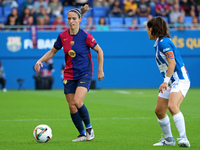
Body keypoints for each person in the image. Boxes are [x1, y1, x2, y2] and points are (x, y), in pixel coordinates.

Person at [34, 4, 104, 142]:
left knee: (78, 101)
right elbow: (52, 51)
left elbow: (99, 51)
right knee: (71, 106)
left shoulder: (86, 36)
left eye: (73, 18)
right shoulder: (62, 36)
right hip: (69, 74)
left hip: (84, 72)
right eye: (69, 18)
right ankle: (82, 134)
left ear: (79, 20)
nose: (71, 21)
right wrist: (40, 60)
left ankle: (90, 129)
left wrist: (100, 71)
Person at [146, 16, 191, 147]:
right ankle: (169, 139)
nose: (147, 32)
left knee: (172, 106)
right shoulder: (159, 43)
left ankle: (184, 138)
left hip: (180, 80)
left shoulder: (163, 43)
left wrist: (165, 81)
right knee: (159, 111)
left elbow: (171, 63)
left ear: (151, 29)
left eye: (147, 30)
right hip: (171, 81)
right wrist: (167, 81)